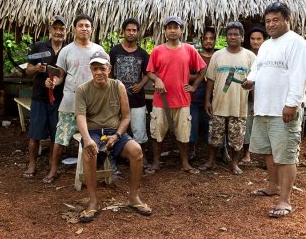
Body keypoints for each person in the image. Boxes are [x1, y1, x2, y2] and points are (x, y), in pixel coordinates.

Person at [242, 2, 306, 218]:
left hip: (284, 109)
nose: (271, 24)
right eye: (268, 21)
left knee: (286, 156)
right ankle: (273, 187)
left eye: (275, 20)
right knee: (268, 152)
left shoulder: (296, 43)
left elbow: (299, 76)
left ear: (287, 20)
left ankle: (285, 200)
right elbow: (258, 68)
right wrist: (249, 81)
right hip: (264, 107)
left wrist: (292, 104)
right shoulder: (267, 45)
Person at [75, 51, 152, 222]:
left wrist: (117, 136)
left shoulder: (118, 86)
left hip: (114, 131)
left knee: (136, 151)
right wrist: (87, 139)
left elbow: (126, 117)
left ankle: (133, 198)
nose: (99, 72)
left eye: (102, 68)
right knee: (89, 152)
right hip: (93, 132)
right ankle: (94, 202)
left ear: (109, 69)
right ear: (90, 70)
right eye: (95, 69)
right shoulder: (82, 90)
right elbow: (80, 117)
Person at [43, 14, 104, 183]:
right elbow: (60, 75)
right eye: (81, 25)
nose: (84, 28)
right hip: (70, 102)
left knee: (96, 138)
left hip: (94, 105)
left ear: (91, 29)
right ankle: (53, 169)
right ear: (74, 29)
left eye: (87, 26)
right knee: (60, 138)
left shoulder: (99, 51)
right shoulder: (66, 50)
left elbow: (105, 77)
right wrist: (54, 82)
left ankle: (97, 168)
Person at [146, 16, 207, 174]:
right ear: (165, 31)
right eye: (169, 28)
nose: (172, 30)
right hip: (161, 100)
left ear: (181, 30)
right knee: (157, 133)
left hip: (182, 100)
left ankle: (185, 163)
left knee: (184, 134)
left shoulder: (189, 50)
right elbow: (150, 72)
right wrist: (157, 79)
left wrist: (194, 86)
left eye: (176, 27)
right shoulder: (158, 50)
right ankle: (156, 163)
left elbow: (202, 70)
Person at [200, 21, 256, 174]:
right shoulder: (218, 55)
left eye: (236, 34)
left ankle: (234, 163)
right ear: (226, 37)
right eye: (230, 34)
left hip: (239, 104)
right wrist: (207, 101)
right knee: (214, 136)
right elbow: (210, 80)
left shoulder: (249, 56)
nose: (233, 37)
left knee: (237, 138)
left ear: (242, 37)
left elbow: (254, 82)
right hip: (218, 103)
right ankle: (211, 161)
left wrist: (254, 103)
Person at [23, 15, 67, 179]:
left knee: (57, 135)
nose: (58, 32)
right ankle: (32, 164)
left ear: (66, 31)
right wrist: (37, 69)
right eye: (55, 28)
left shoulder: (68, 50)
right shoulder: (39, 47)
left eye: (61, 29)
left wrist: (57, 81)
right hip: (40, 97)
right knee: (35, 134)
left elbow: (66, 74)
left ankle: (53, 167)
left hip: (60, 99)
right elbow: (28, 70)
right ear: (50, 30)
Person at [109, 18, 149, 164]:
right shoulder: (114, 51)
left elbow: (147, 74)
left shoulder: (143, 54)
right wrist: (114, 86)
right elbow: (109, 72)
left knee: (139, 130)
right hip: (117, 99)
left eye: (134, 30)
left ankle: (140, 158)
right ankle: (117, 157)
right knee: (117, 129)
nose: (131, 33)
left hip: (137, 100)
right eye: (128, 30)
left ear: (138, 33)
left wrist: (140, 85)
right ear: (123, 32)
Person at [242, 25, 267, 163]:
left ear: (264, 40)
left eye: (259, 39)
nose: (256, 42)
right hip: (248, 96)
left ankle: (265, 155)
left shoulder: (268, 55)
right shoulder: (245, 55)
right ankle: (246, 153)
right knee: (248, 124)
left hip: (265, 97)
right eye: (253, 39)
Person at [188, 27, 214, 160]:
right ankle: (192, 150)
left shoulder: (219, 56)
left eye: (211, 39)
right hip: (195, 97)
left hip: (214, 99)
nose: (208, 41)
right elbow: (186, 75)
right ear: (202, 41)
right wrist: (201, 77)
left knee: (213, 126)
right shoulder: (195, 56)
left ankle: (220, 152)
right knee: (193, 125)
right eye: (206, 39)